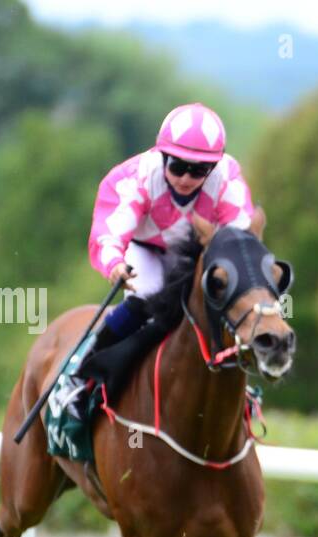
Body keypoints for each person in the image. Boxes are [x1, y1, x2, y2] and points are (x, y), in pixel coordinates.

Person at [69, 102, 256, 413]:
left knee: (221, 302)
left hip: (195, 254)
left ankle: (238, 391)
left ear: (213, 167)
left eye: (198, 170)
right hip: (146, 251)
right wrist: (115, 262)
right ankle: (84, 377)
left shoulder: (227, 178)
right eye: (177, 166)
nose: (185, 178)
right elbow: (111, 229)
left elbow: (239, 237)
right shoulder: (138, 177)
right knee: (148, 295)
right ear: (162, 156)